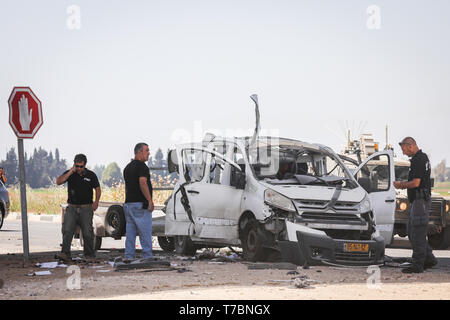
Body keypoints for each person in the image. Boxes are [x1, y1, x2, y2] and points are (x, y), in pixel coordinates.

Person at [394, 137, 437, 273]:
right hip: (418, 201)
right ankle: (429, 259)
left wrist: (400, 185)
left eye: (404, 150)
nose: (404, 153)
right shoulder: (421, 158)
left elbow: (416, 183)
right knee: (412, 231)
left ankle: (418, 264)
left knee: (417, 232)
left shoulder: (419, 159)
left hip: (420, 201)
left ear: (410, 146)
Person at [56, 154, 101, 261]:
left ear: (85, 165)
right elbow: (59, 182)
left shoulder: (91, 175)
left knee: (87, 232)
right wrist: (70, 172)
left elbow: (98, 189)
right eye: (77, 166)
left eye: (81, 166)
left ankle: (89, 255)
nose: (79, 169)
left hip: (86, 208)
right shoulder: (70, 173)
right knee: (67, 230)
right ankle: (65, 253)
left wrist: (96, 202)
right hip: (72, 207)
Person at [123, 143, 154, 260]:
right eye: (147, 150)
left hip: (129, 204)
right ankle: (148, 257)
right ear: (139, 152)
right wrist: (149, 201)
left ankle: (129, 256)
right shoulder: (142, 167)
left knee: (130, 233)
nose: (149, 153)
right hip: (140, 204)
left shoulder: (127, 167)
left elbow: (127, 187)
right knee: (145, 232)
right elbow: (142, 182)